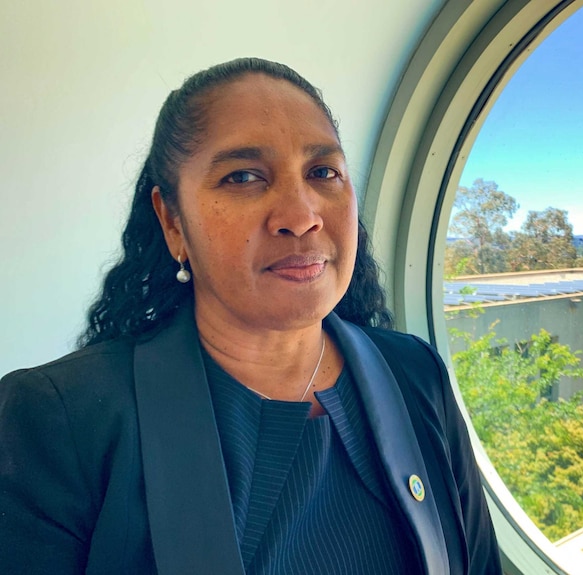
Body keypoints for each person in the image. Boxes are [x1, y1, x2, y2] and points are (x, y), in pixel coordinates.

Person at [0, 57, 500, 574]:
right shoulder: (57, 420)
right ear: (172, 222)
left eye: (323, 172)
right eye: (243, 176)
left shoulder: (416, 374)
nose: (302, 216)